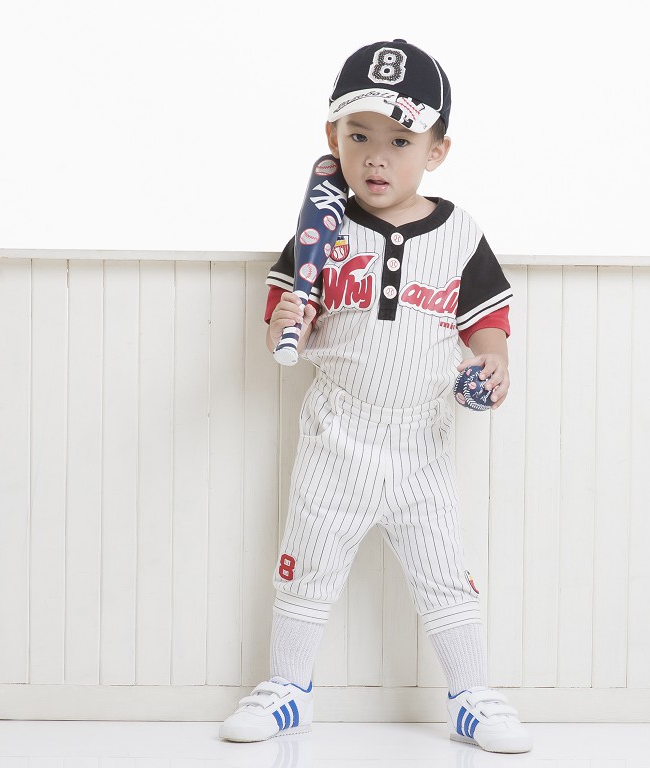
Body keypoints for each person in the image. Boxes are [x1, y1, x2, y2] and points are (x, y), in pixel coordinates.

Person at [219, 39, 532, 754]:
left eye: (400, 140)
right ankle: (287, 690)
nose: (376, 158)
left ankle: (471, 696)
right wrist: (288, 320)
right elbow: (282, 331)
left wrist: (493, 364)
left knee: (445, 574)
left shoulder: (459, 234)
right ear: (332, 138)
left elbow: (487, 325)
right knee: (307, 567)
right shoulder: (320, 232)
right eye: (358, 136)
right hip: (337, 433)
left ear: (437, 150)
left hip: (422, 441)